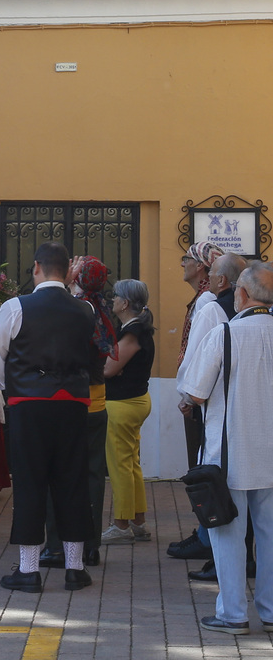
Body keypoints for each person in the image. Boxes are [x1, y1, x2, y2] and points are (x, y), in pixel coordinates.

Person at [0, 242, 99, 594]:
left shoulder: (15, 307)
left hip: (28, 403)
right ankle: (75, 568)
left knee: (30, 481)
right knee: (72, 481)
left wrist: (12, 389)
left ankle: (29, 569)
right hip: (73, 404)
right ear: (67, 270)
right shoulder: (84, 310)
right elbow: (90, 354)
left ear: (36, 267)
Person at [182, 262, 273, 635]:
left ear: (242, 294)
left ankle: (233, 613)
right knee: (270, 535)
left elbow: (197, 392)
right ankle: (270, 612)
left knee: (227, 535)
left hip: (230, 453)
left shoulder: (225, 334)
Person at [40, 256, 113, 569]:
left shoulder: (74, 309)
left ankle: (57, 545)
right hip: (97, 401)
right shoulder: (104, 309)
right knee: (93, 476)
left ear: (78, 277)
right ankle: (90, 545)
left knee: (61, 474)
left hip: (71, 401)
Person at [168, 246, 236, 563]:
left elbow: (196, 354)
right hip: (211, 396)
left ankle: (207, 535)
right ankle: (205, 534)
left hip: (202, 397)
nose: (182, 264)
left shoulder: (208, 305)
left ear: (203, 269)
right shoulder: (209, 302)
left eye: (188, 259)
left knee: (203, 471)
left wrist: (187, 395)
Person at [100, 279, 156, 547]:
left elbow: (108, 370)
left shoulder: (132, 331)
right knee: (131, 463)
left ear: (124, 303)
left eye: (115, 297)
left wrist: (106, 365)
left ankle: (121, 525)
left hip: (123, 404)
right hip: (134, 401)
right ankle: (138, 522)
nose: (112, 301)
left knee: (120, 465)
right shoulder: (135, 328)